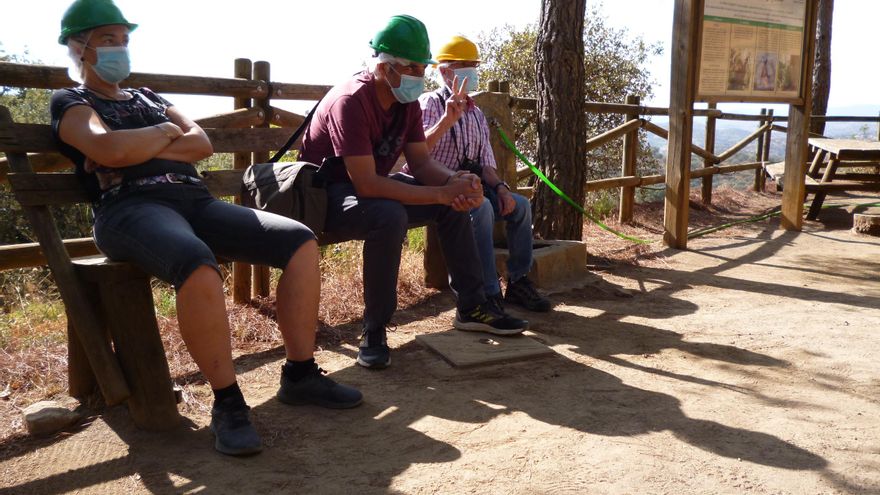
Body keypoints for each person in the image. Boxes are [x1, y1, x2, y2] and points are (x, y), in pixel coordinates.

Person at [52, 0, 362, 457]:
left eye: (123, 39)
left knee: (299, 241)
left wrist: (139, 143)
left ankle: (299, 374)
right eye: (106, 40)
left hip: (195, 201)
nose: (119, 48)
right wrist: (161, 137)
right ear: (79, 49)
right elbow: (106, 148)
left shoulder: (148, 98)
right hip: (130, 209)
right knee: (197, 265)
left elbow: (201, 143)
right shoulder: (72, 100)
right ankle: (229, 404)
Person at [299, 15, 528, 370]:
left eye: (422, 68)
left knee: (451, 204)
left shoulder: (404, 103)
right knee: (389, 216)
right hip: (325, 194)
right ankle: (374, 330)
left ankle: (472, 305)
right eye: (411, 67)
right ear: (383, 66)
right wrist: (438, 194)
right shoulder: (351, 100)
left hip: (370, 189)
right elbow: (366, 184)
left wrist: (456, 183)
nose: (419, 76)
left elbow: (421, 164)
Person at [411, 35, 551, 313]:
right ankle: (488, 292)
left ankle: (519, 281)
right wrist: (446, 121)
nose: (471, 72)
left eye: (474, 65)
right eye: (465, 65)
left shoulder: (476, 113)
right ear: (444, 71)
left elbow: (486, 161)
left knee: (520, 205)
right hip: (437, 186)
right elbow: (418, 152)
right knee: (482, 207)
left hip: (473, 184)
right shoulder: (429, 103)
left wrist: (501, 187)